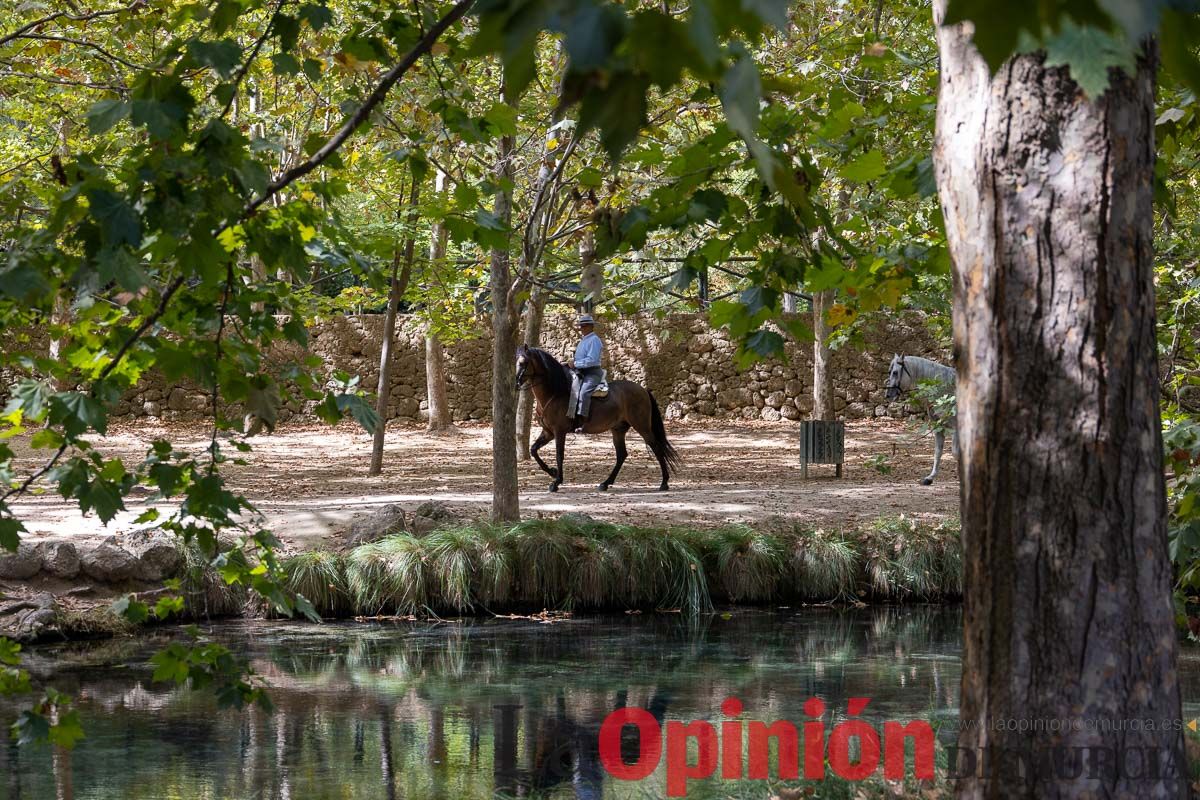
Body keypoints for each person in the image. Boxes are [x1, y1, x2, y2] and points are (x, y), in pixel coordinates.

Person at [570, 314, 604, 432]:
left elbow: (592, 360)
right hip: (581, 371)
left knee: (584, 393)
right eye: (581, 326)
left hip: (592, 373)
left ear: (591, 326)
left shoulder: (594, 340)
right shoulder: (583, 341)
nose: (582, 328)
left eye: (584, 326)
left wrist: (575, 364)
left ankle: (583, 422)